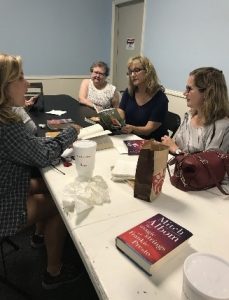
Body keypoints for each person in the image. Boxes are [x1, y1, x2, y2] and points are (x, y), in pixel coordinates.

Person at [0, 53, 82, 289]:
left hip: (7, 186)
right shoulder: (7, 126)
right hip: (4, 206)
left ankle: (38, 237)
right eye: (21, 78)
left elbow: (33, 146)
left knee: (48, 187)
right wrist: (71, 132)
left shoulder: (7, 119)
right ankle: (53, 272)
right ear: (4, 86)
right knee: (59, 205)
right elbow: (42, 155)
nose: (27, 84)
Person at [161, 67, 229, 154]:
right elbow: (175, 144)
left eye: (189, 89)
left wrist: (176, 150)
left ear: (207, 93)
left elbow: (207, 165)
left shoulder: (221, 127)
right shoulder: (189, 115)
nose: (185, 93)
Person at [118, 55, 169, 141]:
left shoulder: (160, 98)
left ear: (148, 72)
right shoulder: (129, 91)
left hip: (151, 142)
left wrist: (133, 128)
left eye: (137, 70)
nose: (132, 75)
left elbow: (148, 130)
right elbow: (121, 110)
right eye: (130, 72)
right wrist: (117, 120)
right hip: (130, 137)